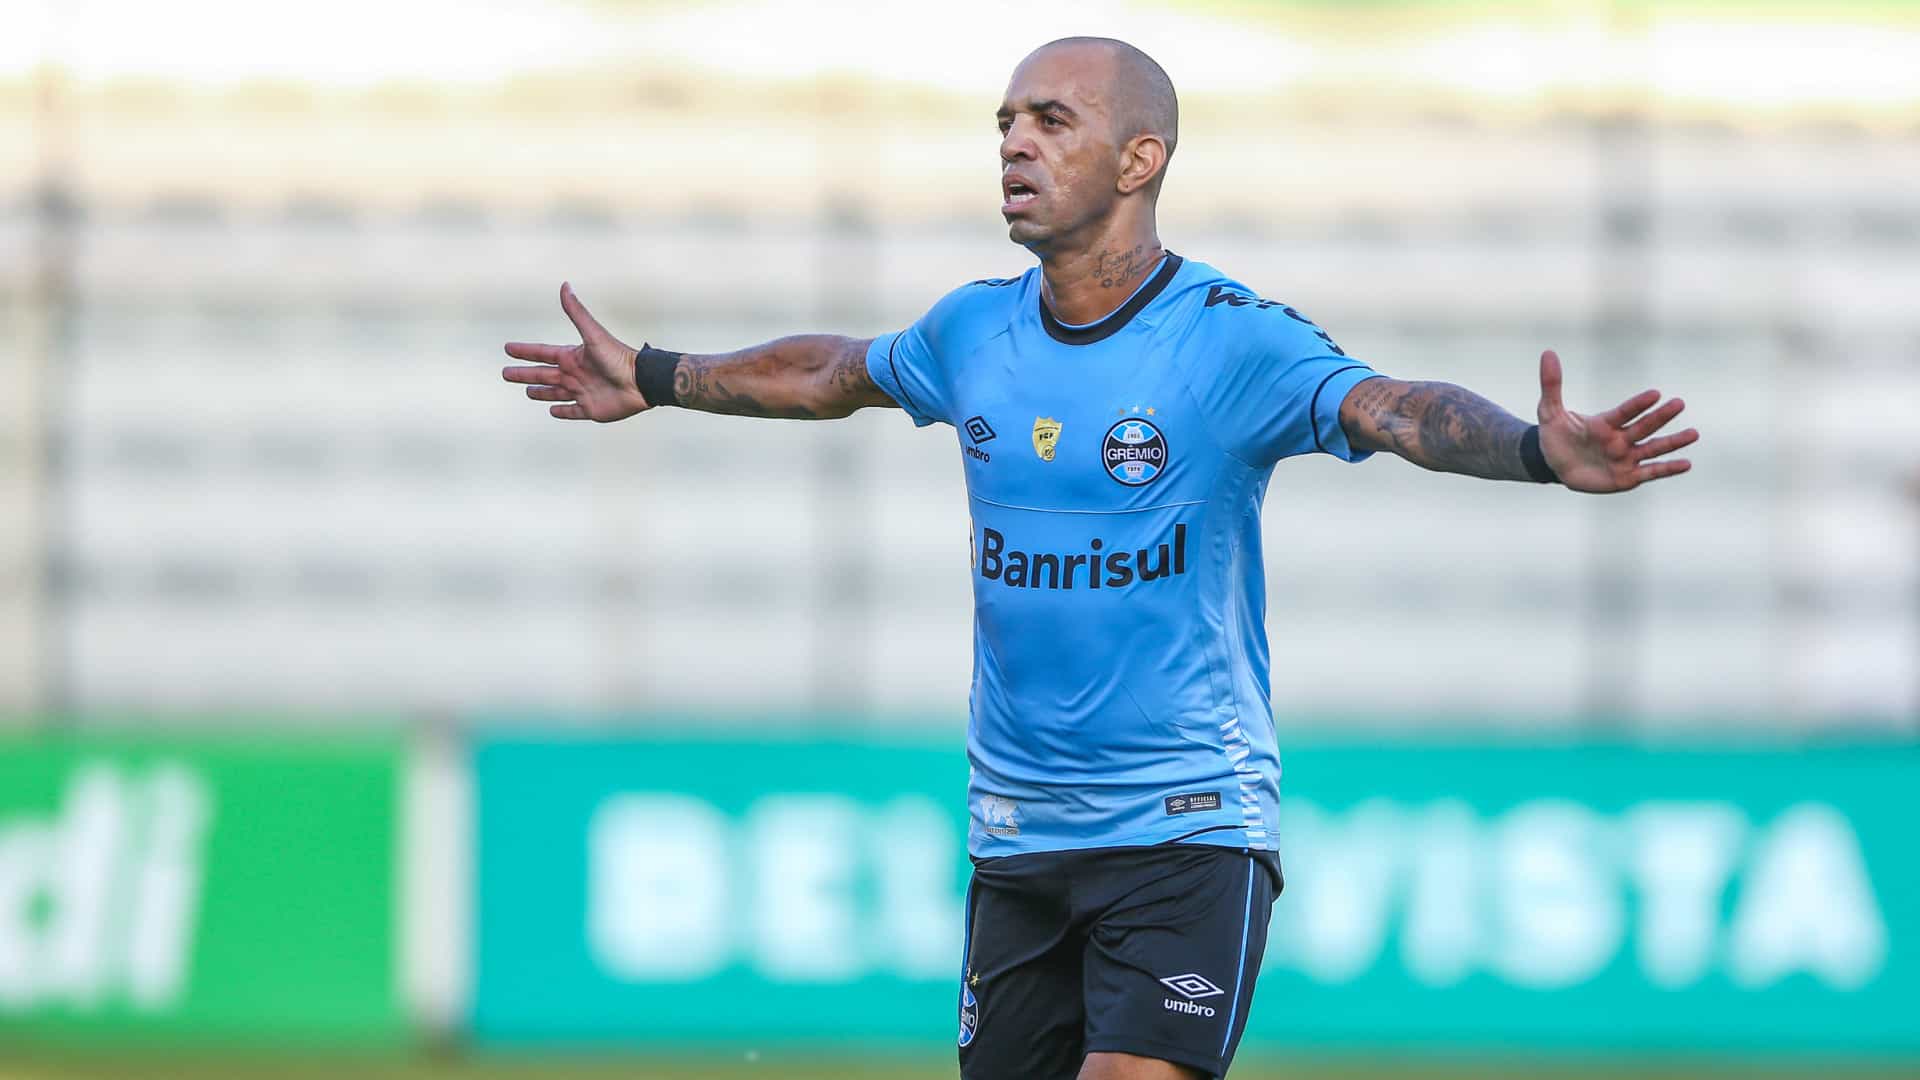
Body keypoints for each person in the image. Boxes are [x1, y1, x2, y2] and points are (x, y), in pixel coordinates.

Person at [500, 36, 1697, 1080]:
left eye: (1051, 120)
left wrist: (1534, 452)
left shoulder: (1229, 341)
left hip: (1188, 824)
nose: (1014, 144)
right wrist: (655, 375)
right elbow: (833, 372)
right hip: (1018, 834)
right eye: (1005, 124)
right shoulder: (973, 328)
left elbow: (1390, 409)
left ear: (1141, 159)